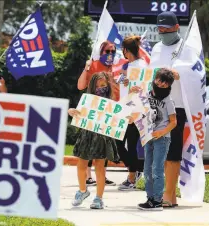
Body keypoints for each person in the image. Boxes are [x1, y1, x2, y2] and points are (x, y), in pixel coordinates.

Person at [78, 41, 127, 186]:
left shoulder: (117, 68)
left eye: (113, 51)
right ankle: (87, 177)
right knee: (89, 143)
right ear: (101, 52)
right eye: (107, 51)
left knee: (105, 145)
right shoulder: (93, 65)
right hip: (93, 109)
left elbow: (122, 86)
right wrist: (86, 68)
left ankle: (101, 176)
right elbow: (81, 85)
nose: (110, 54)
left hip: (110, 110)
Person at [69, 72, 120, 209]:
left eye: (103, 85)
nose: (100, 88)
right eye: (97, 86)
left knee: (100, 167)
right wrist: (72, 111)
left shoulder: (112, 103)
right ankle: (82, 190)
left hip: (103, 136)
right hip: (87, 134)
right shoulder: (87, 100)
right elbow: (80, 113)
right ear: (92, 87)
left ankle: (99, 198)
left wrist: (127, 117)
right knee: (81, 165)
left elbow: (119, 116)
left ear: (108, 86)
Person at [149, 11, 183, 208]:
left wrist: (180, 75)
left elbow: (195, 75)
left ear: (176, 27)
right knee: (159, 153)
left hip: (176, 105)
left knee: (172, 153)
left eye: (167, 29)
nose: (163, 32)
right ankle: (165, 193)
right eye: (160, 29)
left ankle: (169, 194)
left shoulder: (186, 48)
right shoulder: (156, 48)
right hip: (155, 105)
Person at [137, 68, 177, 211]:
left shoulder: (168, 100)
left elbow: (174, 122)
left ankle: (158, 200)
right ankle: (150, 198)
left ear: (169, 86)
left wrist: (161, 132)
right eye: (159, 81)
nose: (160, 85)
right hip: (148, 137)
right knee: (147, 169)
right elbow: (138, 111)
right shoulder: (147, 95)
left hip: (162, 138)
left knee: (157, 169)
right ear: (155, 79)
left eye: (164, 84)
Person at [117, 35, 148, 191]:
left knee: (129, 143)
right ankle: (134, 172)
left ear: (126, 50)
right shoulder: (129, 66)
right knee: (120, 143)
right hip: (125, 109)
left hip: (135, 111)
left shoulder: (140, 66)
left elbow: (142, 89)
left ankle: (133, 175)